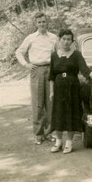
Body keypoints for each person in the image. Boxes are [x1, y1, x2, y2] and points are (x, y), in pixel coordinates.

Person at [48, 29, 92, 154]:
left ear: (72, 41)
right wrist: (52, 92)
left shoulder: (77, 54)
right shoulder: (53, 55)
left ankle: (69, 142)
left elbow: (85, 71)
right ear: (59, 40)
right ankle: (58, 141)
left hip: (72, 88)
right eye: (64, 39)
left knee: (71, 114)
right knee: (58, 114)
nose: (66, 42)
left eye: (69, 39)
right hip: (58, 87)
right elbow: (51, 76)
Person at [15, 12, 58, 145]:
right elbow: (19, 52)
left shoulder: (53, 37)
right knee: (38, 103)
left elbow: (60, 52)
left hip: (51, 69)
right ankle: (38, 134)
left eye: (44, 22)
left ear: (47, 22)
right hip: (37, 70)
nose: (42, 24)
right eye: (39, 22)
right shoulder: (31, 38)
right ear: (36, 23)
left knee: (51, 102)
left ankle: (50, 132)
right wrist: (26, 64)